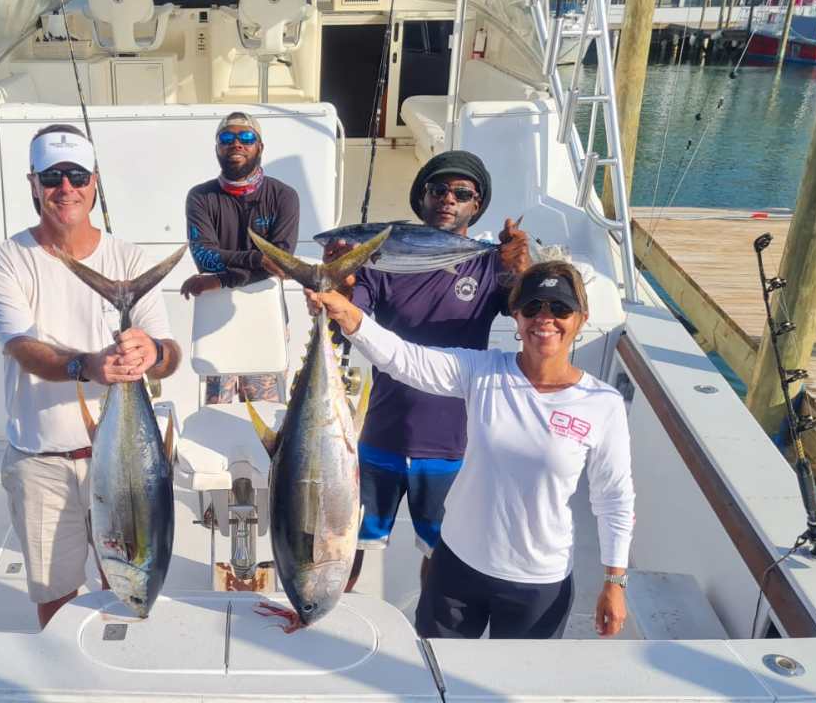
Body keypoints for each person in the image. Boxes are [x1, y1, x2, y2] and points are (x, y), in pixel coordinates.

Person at [306, 261, 634, 640]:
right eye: (532, 308)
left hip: (538, 582)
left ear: (581, 318)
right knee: (435, 679)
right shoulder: (483, 371)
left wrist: (614, 581)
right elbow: (405, 359)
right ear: (516, 316)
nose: (545, 319)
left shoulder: (601, 403)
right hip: (456, 567)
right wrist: (350, 316)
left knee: (513, 687)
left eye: (559, 308)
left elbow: (614, 497)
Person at [0, 125, 182, 630]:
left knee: (122, 581)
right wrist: (87, 366)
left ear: (94, 182)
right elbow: (23, 349)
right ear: (33, 183)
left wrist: (151, 350)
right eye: (52, 177)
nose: (64, 188)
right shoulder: (5, 260)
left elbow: (171, 356)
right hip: (42, 459)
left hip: (123, 460)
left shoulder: (129, 259)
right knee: (55, 595)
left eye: (75, 175)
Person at [323, 151, 531, 591]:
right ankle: (330, 619)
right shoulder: (386, 256)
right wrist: (339, 280)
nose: (448, 200)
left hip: (450, 443)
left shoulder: (489, 263)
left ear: (477, 205)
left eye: (461, 193)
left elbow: (528, 318)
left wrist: (519, 271)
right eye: (438, 190)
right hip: (381, 434)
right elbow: (347, 323)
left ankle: (430, 635)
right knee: (346, 546)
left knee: (437, 556)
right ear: (423, 197)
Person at [180, 112, 300, 403]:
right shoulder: (200, 196)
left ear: (260, 147)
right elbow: (204, 257)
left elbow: (281, 263)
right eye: (226, 138)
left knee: (266, 419)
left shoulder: (284, 196)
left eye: (246, 138)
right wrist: (258, 260)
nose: (237, 144)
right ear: (217, 148)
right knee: (217, 415)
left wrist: (220, 281)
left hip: (266, 319)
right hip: (216, 320)